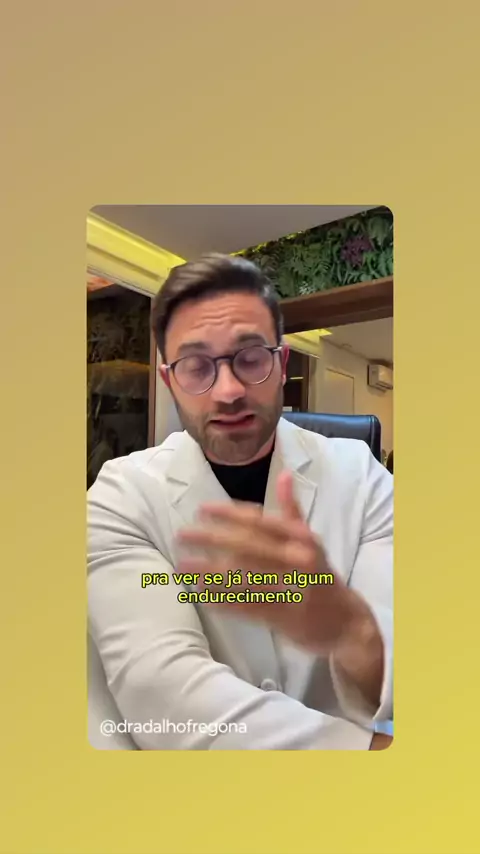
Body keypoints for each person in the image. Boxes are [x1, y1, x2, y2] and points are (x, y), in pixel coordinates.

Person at [87, 254, 393, 750]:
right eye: (196, 366)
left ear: (282, 365)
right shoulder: (120, 495)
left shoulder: (363, 478)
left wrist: (349, 626)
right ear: (169, 380)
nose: (228, 391)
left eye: (250, 358)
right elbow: (163, 690)